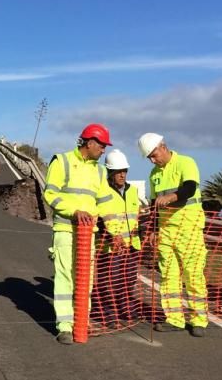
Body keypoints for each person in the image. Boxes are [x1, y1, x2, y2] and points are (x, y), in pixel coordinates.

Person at [43, 123, 113, 344]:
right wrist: (74, 211)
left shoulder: (100, 171)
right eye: (102, 146)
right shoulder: (62, 161)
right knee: (65, 278)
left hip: (88, 233)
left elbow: (105, 204)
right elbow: (50, 194)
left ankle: (81, 321)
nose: (104, 151)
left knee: (85, 279)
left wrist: (117, 232)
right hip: (65, 229)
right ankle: (65, 326)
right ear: (90, 142)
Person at [138, 133, 209, 337]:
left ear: (163, 146)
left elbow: (189, 188)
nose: (153, 160)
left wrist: (173, 196)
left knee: (193, 275)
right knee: (169, 276)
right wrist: (151, 229)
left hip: (189, 229)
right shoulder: (154, 174)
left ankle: (199, 319)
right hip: (166, 231)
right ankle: (174, 319)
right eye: (149, 158)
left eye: (154, 155)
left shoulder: (185, 162)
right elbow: (153, 205)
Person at [91, 149, 142, 329]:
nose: (122, 174)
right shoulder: (102, 190)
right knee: (109, 282)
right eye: (118, 171)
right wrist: (112, 236)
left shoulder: (133, 191)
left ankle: (125, 308)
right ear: (110, 172)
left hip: (131, 245)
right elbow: (99, 217)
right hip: (109, 246)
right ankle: (108, 312)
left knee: (128, 279)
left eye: (125, 171)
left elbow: (137, 217)